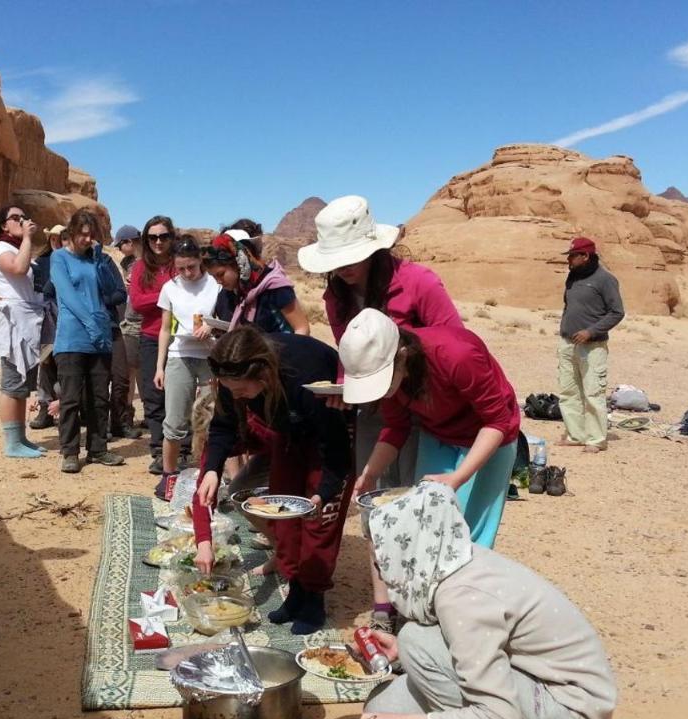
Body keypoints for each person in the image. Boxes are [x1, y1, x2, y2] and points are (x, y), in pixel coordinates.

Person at [348, 481, 617, 719]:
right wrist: (402, 650)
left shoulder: (462, 596)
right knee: (384, 704)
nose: (382, 567)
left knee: (418, 642)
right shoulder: (453, 558)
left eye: (383, 553)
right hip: (544, 688)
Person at [299, 194, 466, 626]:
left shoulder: (419, 283)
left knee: (416, 501)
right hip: (376, 406)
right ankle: (383, 606)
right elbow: (350, 350)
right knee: (375, 500)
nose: (343, 268)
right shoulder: (336, 296)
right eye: (336, 260)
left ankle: (421, 606)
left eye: (350, 257)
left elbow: (452, 344)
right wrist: (343, 384)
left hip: (423, 408)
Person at [193, 327, 353, 635]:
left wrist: (324, 493)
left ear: (263, 374)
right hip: (288, 432)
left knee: (319, 523)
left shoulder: (306, 377)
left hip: (329, 432)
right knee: (283, 512)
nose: (236, 397)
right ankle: (295, 590)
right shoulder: (232, 375)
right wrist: (213, 468)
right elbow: (222, 427)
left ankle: (314, 597)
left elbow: (335, 448)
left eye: (241, 392)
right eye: (231, 391)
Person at [340, 308, 519, 545]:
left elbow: (497, 421)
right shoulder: (392, 378)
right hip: (438, 434)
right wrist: (370, 474)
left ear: (402, 355)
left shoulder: (456, 354)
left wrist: (458, 477)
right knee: (427, 523)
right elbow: (396, 426)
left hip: (489, 435)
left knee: (467, 534)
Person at [48, 209, 126, 473]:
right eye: (82, 234)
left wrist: (100, 260)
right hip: (72, 337)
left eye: (90, 235)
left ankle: (98, 448)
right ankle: (70, 451)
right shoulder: (59, 259)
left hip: (100, 337)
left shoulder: (97, 260)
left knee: (98, 398)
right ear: (71, 234)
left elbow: (113, 291)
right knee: (70, 398)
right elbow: (68, 296)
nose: (86, 239)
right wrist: (93, 325)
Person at [153, 235, 221, 498]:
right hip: (179, 354)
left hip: (209, 355)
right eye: (180, 268)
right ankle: (168, 477)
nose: (186, 273)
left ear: (200, 260)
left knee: (209, 419)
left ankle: (208, 474)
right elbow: (164, 329)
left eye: (190, 267)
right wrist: (160, 367)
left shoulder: (213, 285)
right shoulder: (170, 287)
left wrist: (211, 325)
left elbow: (226, 317)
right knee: (174, 421)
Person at [0, 204, 49, 459]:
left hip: (28, 320)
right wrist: (27, 238)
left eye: (24, 217)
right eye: (15, 218)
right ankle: (12, 442)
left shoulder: (17, 247)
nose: (22, 221)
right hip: (14, 322)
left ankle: (21, 438)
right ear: (4, 225)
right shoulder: (1, 249)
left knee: (24, 383)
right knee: (12, 382)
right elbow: (19, 269)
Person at [556, 237, 624, 453]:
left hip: (592, 346)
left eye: (572, 256)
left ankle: (596, 439)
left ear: (585, 256)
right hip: (567, 343)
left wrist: (590, 331)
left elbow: (617, 312)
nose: (569, 260)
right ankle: (576, 435)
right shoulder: (572, 277)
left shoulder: (605, 280)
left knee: (593, 393)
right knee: (568, 391)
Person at [129, 216, 180, 474]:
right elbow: (136, 303)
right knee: (153, 395)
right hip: (150, 336)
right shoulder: (140, 268)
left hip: (181, 339)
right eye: (152, 237)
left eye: (163, 236)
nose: (158, 242)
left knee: (181, 395)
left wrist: (158, 297)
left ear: (172, 237)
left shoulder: (180, 264)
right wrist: (170, 295)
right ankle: (159, 450)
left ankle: (183, 450)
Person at [203, 232, 310, 335]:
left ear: (238, 264)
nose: (218, 281)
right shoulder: (244, 292)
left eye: (221, 274)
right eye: (214, 277)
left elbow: (302, 329)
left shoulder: (275, 287)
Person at [27, 224, 66, 430]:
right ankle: (45, 408)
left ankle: (70, 407)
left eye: (61, 238)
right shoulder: (41, 263)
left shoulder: (74, 261)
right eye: (54, 239)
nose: (57, 242)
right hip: (48, 319)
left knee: (69, 363)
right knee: (46, 362)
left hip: (68, 319)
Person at [114, 225, 144, 438]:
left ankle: (135, 416)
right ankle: (127, 417)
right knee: (132, 371)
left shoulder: (145, 262)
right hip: (131, 320)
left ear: (129, 242)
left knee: (140, 372)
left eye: (121, 245)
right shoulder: (127, 263)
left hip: (143, 320)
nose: (120, 250)